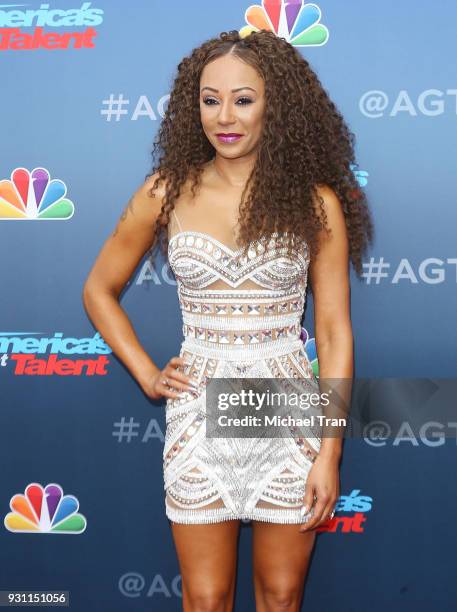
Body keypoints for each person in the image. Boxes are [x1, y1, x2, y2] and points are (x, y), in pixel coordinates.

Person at [83, 29, 373, 612]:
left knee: (281, 594)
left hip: (287, 407)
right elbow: (98, 289)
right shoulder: (165, 192)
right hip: (200, 409)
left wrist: (329, 451)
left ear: (276, 105)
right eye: (210, 99)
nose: (225, 116)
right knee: (207, 598)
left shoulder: (316, 203)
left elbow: (335, 332)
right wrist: (145, 372)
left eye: (243, 99)